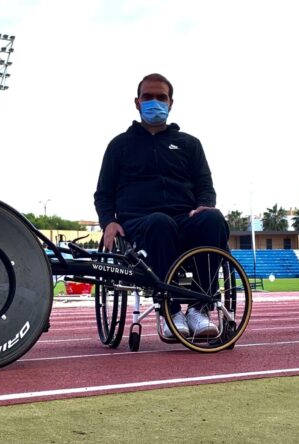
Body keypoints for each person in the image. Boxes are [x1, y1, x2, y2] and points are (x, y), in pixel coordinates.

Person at [93, 73, 230, 339]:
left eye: (161, 97)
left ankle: (199, 308)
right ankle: (171, 309)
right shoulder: (119, 145)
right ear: (137, 102)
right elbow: (103, 193)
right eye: (148, 97)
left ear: (171, 103)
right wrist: (108, 221)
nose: (154, 102)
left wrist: (205, 205)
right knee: (159, 222)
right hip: (141, 224)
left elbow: (205, 185)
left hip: (184, 218)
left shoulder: (190, 144)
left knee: (213, 219)